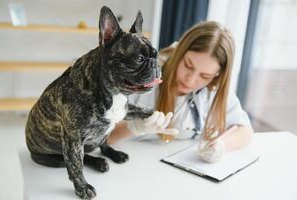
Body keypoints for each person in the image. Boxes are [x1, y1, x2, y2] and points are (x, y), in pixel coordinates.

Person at [108, 21, 253, 163]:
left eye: (205, 76)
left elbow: (245, 131)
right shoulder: (141, 76)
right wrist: (134, 127)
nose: (190, 80)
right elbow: (99, 136)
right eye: (188, 65)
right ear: (180, 52)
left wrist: (222, 146)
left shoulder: (213, 90)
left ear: (217, 75)